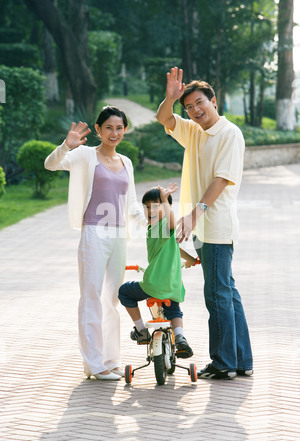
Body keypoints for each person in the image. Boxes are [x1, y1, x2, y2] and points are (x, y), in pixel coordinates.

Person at [156, 67, 253, 379]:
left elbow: (222, 179)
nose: (195, 111)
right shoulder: (195, 131)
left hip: (216, 226)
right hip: (201, 228)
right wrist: (170, 100)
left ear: (214, 100)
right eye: (189, 107)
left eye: (200, 103)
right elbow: (164, 120)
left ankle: (223, 362)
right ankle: (241, 360)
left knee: (217, 293)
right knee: (227, 290)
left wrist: (194, 213)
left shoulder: (229, 134)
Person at [44, 106, 146, 380]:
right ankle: (93, 363)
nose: (115, 133)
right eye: (109, 127)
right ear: (98, 129)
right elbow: (50, 164)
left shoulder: (126, 162)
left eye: (119, 128)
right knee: (91, 297)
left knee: (111, 299)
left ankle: (110, 360)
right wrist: (66, 146)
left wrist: (152, 222)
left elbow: (132, 203)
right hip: (93, 233)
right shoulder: (85, 156)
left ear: (125, 130)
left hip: (119, 235)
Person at [118, 184, 197, 358]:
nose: (150, 211)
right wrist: (190, 260)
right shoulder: (155, 228)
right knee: (174, 310)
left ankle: (141, 331)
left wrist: (165, 200)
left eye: (156, 206)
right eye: (147, 207)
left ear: (166, 206)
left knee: (124, 292)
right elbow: (173, 245)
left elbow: (170, 223)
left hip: (153, 284)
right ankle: (181, 338)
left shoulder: (161, 225)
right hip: (173, 285)